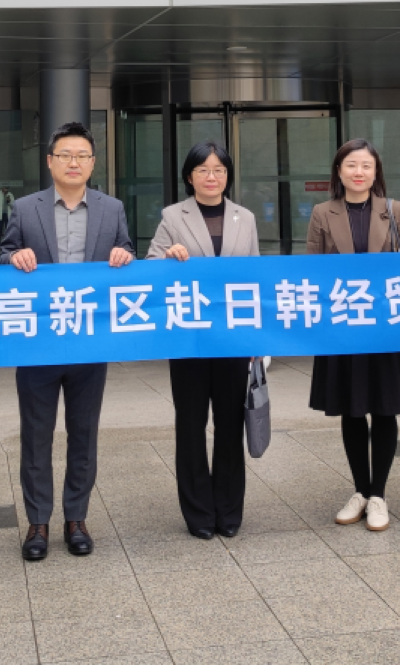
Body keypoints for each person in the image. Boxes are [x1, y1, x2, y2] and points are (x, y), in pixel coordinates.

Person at [0, 121, 135, 561]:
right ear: (50, 161)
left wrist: (125, 256)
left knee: (84, 434)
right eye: (65, 155)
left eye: (81, 156)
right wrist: (13, 257)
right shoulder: (25, 208)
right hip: (37, 343)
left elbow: (127, 253)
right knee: (36, 436)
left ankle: (76, 518)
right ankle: (37, 522)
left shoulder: (112, 208)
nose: (73, 162)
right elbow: (3, 254)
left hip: (90, 344)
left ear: (93, 164)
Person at [306, 139, 400, 533]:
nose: (358, 172)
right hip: (343, 325)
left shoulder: (393, 210)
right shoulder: (322, 212)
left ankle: (378, 495)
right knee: (352, 409)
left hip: (385, 325)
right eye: (351, 165)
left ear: (376, 172)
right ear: (339, 171)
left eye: (366, 166)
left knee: (385, 409)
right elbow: (311, 269)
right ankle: (359, 491)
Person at [147, 140, 260, 540]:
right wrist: (167, 257)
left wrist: (256, 339)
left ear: (228, 175)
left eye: (219, 170)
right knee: (191, 426)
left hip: (232, 339)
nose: (212, 177)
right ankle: (198, 513)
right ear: (189, 176)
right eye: (203, 170)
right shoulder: (172, 216)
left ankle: (228, 510)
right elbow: (150, 267)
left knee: (230, 425)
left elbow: (254, 278)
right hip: (188, 339)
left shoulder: (245, 218)